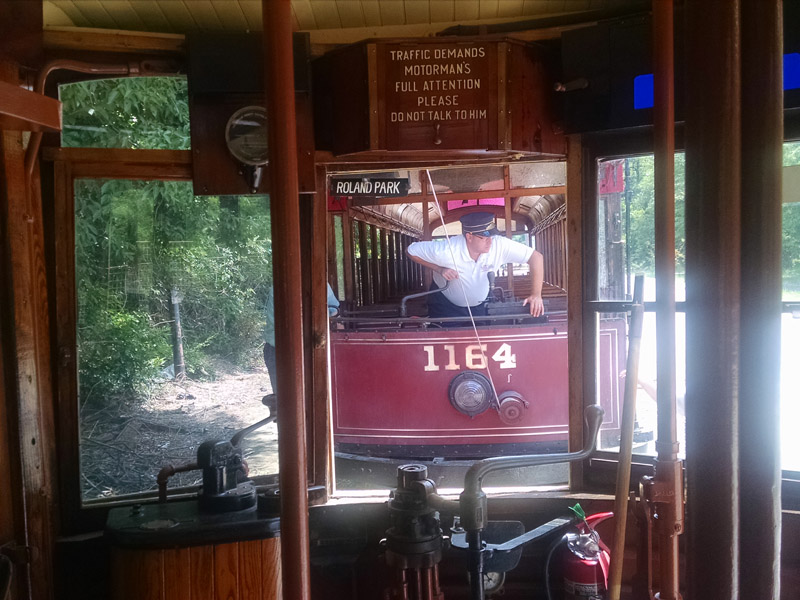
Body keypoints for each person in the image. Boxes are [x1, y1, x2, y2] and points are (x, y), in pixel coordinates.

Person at [406, 212, 544, 318]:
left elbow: (536, 257)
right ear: (469, 237)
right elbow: (411, 250)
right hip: (445, 307)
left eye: (491, 236)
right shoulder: (447, 250)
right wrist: (439, 269)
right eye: (484, 237)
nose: (490, 241)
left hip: (481, 305)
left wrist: (536, 295)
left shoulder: (498, 244)